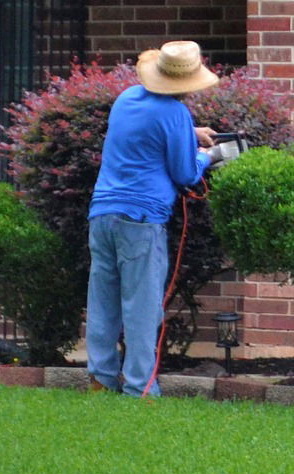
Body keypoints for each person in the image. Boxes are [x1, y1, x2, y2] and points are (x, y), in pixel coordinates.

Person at [85, 40, 224, 396]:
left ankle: (100, 379)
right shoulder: (175, 114)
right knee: (142, 306)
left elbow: (146, 132)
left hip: (102, 214)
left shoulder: (126, 99)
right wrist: (212, 155)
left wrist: (190, 134)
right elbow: (185, 174)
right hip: (142, 220)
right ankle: (140, 387)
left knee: (104, 300)